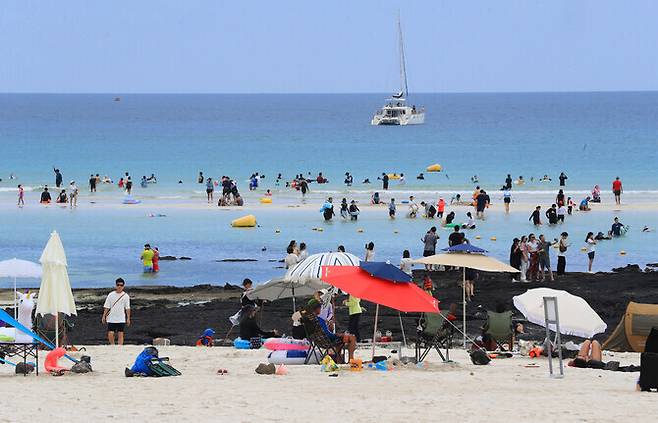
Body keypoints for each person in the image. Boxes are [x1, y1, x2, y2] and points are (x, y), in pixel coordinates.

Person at [101, 278, 131, 345]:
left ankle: (120, 347)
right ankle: (113, 345)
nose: (119, 287)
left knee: (120, 333)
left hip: (121, 318)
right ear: (116, 285)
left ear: (123, 286)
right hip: (111, 317)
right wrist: (104, 316)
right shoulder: (111, 295)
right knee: (110, 333)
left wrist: (128, 318)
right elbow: (107, 306)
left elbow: (127, 308)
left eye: (121, 285)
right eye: (118, 285)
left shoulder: (126, 296)